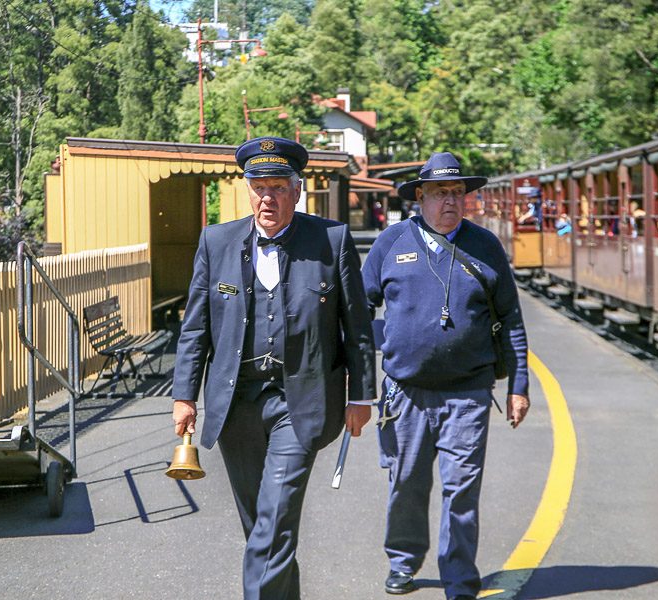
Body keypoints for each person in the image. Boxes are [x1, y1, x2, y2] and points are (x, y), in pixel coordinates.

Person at [171, 136, 377, 600]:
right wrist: (184, 395)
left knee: (276, 517)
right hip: (235, 404)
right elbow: (195, 327)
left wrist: (361, 395)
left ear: (297, 191)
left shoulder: (331, 240)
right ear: (248, 190)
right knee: (261, 527)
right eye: (259, 187)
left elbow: (358, 327)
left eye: (278, 187)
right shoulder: (216, 242)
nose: (268, 197)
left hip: (299, 404)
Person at [362, 152, 530, 600]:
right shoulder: (391, 242)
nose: (450, 201)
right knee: (406, 485)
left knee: (462, 490)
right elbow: (360, 311)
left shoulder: (486, 246)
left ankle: (459, 578)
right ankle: (402, 561)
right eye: (439, 193)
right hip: (405, 394)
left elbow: (511, 318)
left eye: (457, 193)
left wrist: (519, 385)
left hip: (468, 394)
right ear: (421, 197)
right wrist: (358, 379)